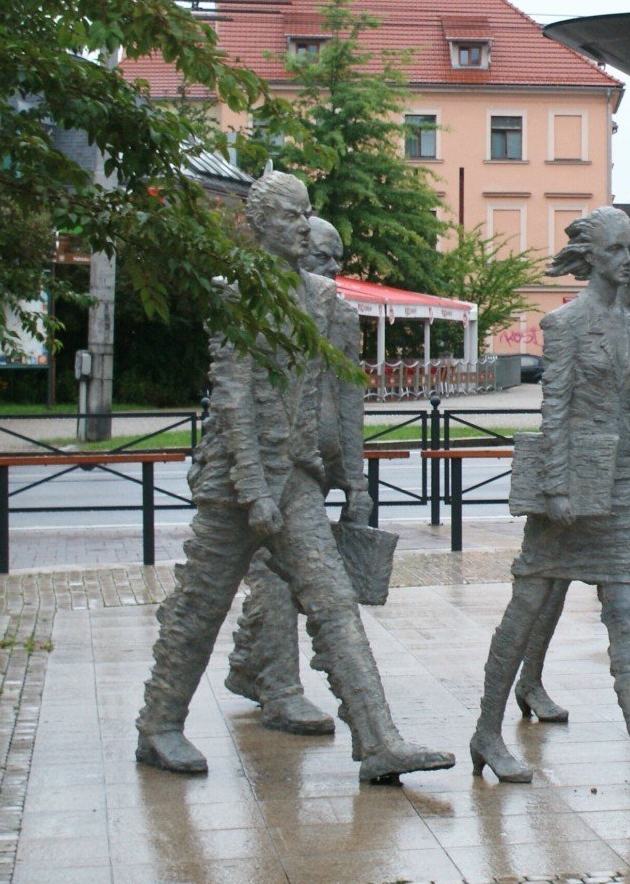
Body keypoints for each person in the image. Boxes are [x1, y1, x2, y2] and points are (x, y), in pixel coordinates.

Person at [136, 171, 454, 786]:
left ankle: (379, 739)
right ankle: (159, 725)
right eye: (290, 217)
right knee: (199, 608)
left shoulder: (321, 297)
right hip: (237, 486)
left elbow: (334, 396)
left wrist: (338, 477)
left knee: (335, 605)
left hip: (297, 480)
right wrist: (254, 490)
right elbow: (232, 400)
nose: (304, 227)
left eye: (306, 215)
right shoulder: (239, 294)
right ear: (258, 225)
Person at [469, 207, 630, 804]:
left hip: (623, 488)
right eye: (622, 250)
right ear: (594, 257)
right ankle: (486, 732)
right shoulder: (566, 323)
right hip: (570, 489)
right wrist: (558, 490)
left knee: (628, 617)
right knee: (528, 606)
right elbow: (555, 412)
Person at [222, 216, 365, 737]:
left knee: (285, 574)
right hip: (270, 462)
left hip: (316, 460)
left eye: (337, 257)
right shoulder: (261, 306)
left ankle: (247, 668)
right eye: (321, 256)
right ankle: (280, 688)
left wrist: (356, 479)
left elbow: (351, 397)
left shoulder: (338, 315)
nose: (332, 266)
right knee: (274, 577)